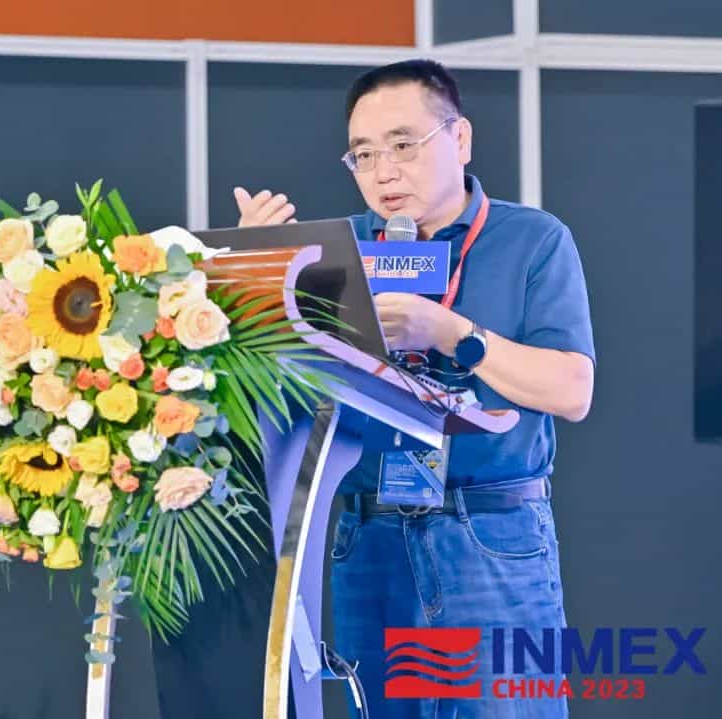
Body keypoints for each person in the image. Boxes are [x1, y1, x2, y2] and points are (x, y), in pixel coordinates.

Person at [234, 59, 596, 718]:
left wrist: (452, 332)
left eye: (403, 145)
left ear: (460, 139)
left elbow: (572, 390)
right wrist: (257, 273)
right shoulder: (333, 253)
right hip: (368, 534)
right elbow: (270, 388)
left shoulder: (531, 240)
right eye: (363, 155)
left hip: (490, 531)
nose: (383, 172)